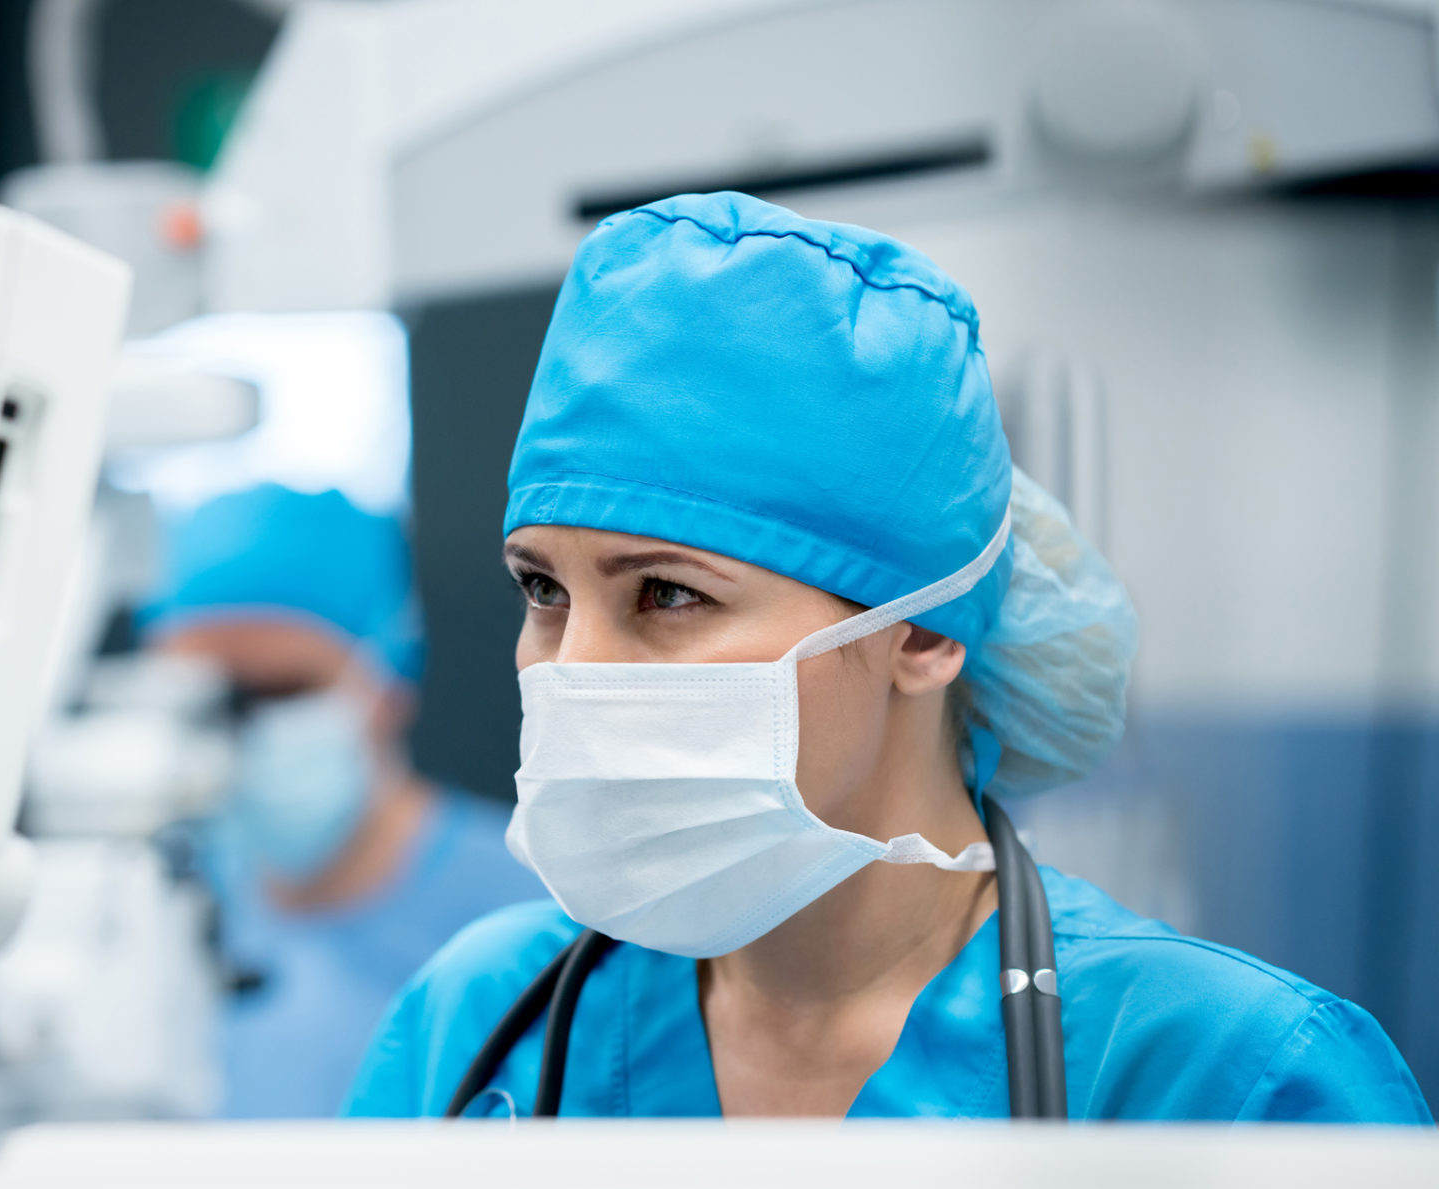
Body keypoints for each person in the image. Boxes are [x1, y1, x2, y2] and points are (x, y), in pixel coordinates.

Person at [345, 193, 1431, 1122]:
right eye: (542, 589)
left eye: (667, 594)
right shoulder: (476, 1027)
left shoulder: (1218, 1078)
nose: (572, 667)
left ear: (920, 629)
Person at [142, 484, 545, 1117]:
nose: (242, 732)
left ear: (387, 678)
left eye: (283, 691)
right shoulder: (141, 918)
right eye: (209, 699)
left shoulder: (537, 918)